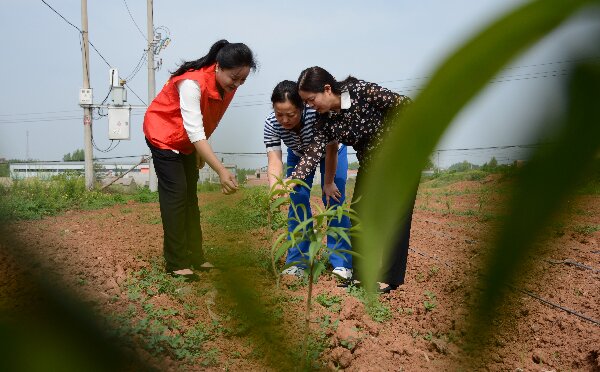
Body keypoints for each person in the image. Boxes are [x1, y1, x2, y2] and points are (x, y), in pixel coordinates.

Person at [290, 66, 415, 293]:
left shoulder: (361, 91)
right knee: (358, 214)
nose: (310, 106)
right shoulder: (325, 121)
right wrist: (294, 179)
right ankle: (360, 276)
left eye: (311, 99)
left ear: (327, 89)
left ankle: (389, 279)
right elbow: (313, 152)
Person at [143, 40, 256, 281]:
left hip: (187, 140)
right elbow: (195, 129)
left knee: (190, 197)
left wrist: (198, 151)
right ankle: (176, 262)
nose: (236, 84)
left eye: (242, 80)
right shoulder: (191, 83)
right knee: (176, 194)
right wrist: (221, 170)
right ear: (218, 67)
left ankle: (195, 256)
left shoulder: (228, 88)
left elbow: (208, 120)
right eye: (233, 77)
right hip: (163, 134)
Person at [264, 80, 353, 280]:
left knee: (334, 199)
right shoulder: (271, 123)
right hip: (298, 155)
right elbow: (275, 159)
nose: (285, 120)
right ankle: (298, 262)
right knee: (297, 200)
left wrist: (328, 183)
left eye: (291, 114)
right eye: (280, 114)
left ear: (302, 107)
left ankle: (342, 262)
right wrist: (276, 187)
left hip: (331, 153)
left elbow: (331, 149)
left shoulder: (317, 114)